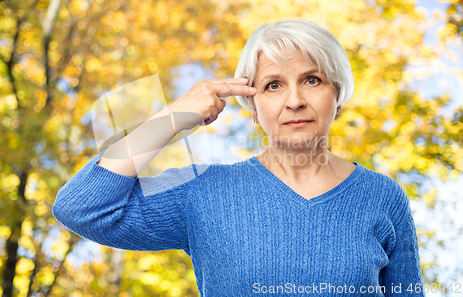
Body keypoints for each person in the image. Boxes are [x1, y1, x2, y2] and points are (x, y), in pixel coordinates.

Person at [52, 19, 425, 296]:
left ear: (338, 95)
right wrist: (173, 117)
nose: (294, 100)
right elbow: (81, 208)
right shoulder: (203, 192)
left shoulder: (383, 197)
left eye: (312, 80)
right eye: (273, 85)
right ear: (252, 105)